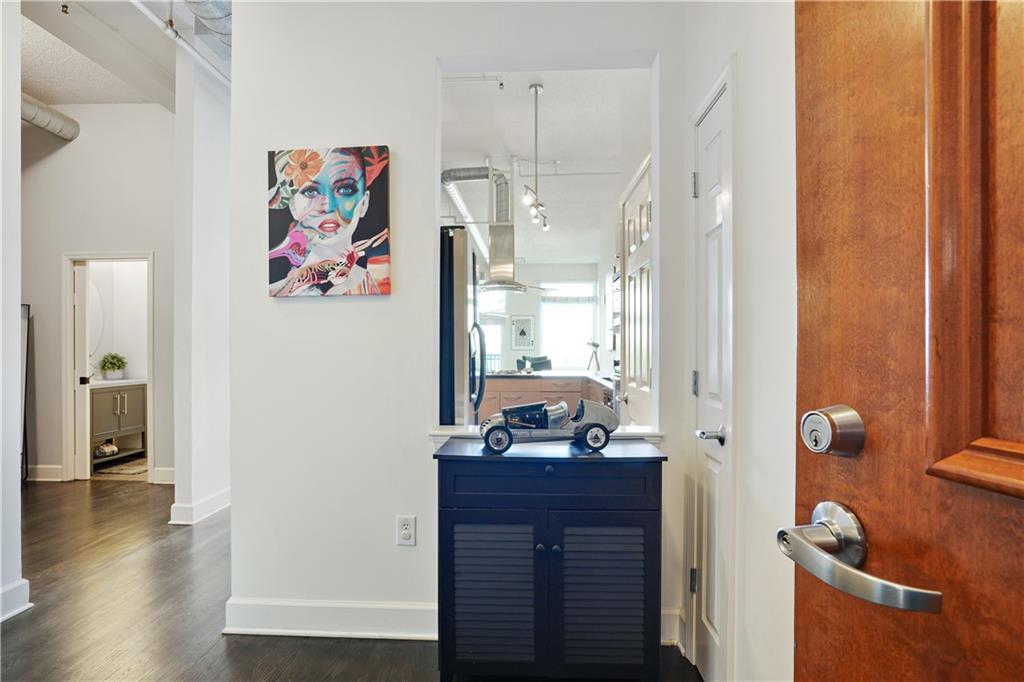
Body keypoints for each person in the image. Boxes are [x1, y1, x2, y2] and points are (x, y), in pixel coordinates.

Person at [268, 146, 390, 296]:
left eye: (345, 189)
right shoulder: (275, 290)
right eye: (311, 191)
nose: (329, 206)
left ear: (364, 203)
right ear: (293, 206)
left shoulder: (379, 278)